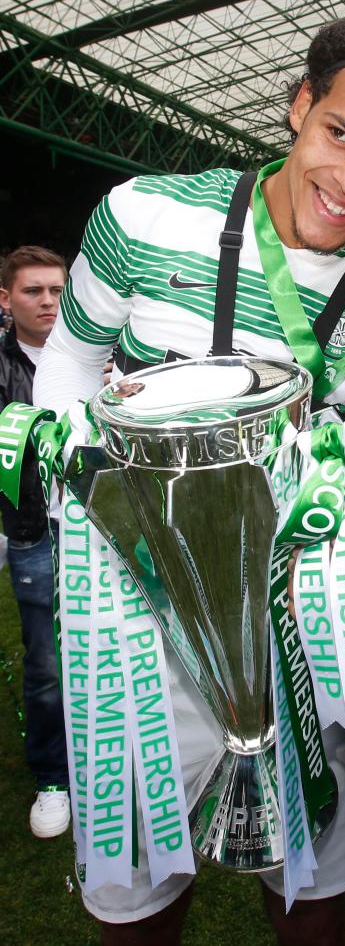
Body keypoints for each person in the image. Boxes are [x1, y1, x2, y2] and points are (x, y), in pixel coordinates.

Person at [32, 9, 345, 946]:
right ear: (299, 105)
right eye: (338, 132)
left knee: (313, 893)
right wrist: (87, 493)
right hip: (140, 623)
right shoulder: (142, 214)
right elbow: (68, 362)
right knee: (139, 898)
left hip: (298, 633)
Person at [0, 246, 69, 837]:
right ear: (6, 299)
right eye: (33, 292)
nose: (48, 301)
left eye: (56, 290)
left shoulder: (101, 354)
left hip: (101, 528)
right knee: (47, 664)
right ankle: (54, 779)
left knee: (118, 649)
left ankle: (119, 762)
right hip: (31, 533)